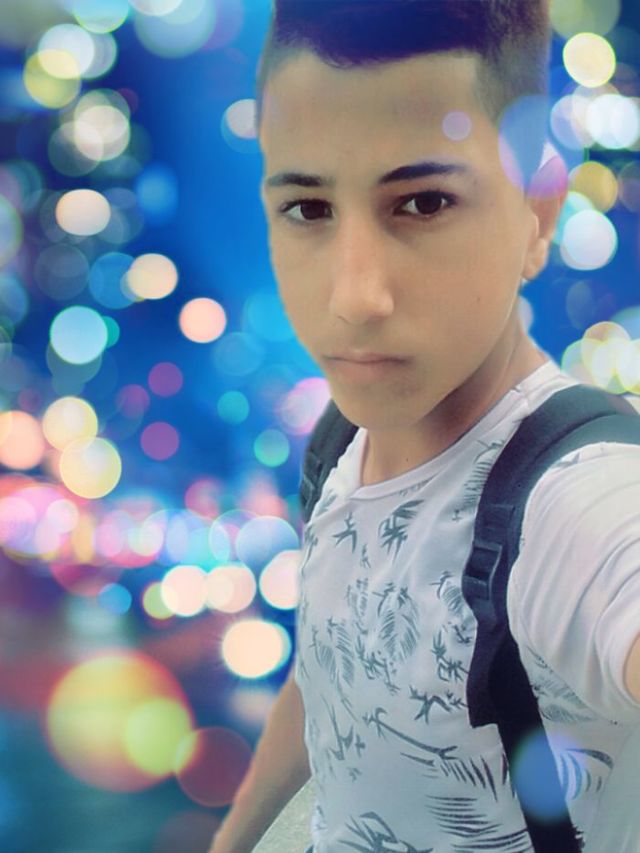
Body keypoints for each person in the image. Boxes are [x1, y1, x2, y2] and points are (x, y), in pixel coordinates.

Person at [210, 1, 640, 850]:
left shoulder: (570, 507)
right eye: (308, 209)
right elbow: (326, 669)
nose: (354, 299)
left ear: (539, 210)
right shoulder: (339, 441)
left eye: (424, 201)